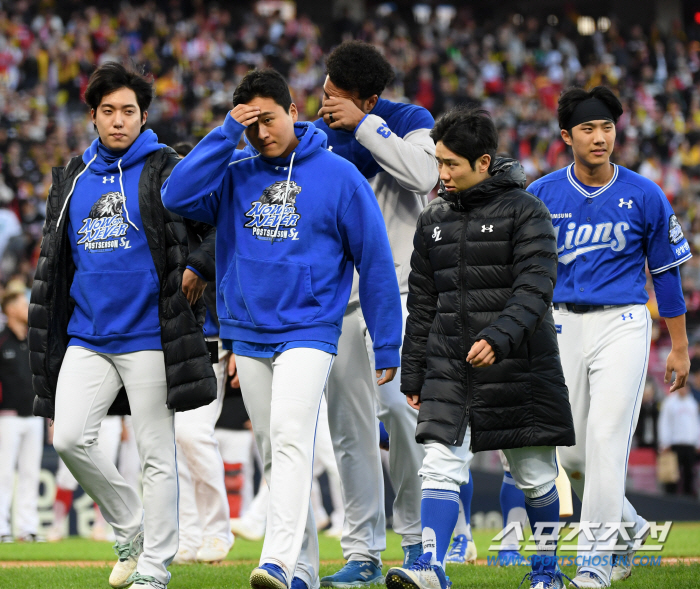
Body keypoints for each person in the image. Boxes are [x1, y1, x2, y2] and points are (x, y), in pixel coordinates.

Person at [161, 68, 402, 589]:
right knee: (274, 449)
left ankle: (275, 560)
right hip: (247, 330)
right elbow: (175, 196)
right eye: (251, 126)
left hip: (311, 328)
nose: (261, 134)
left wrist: (387, 340)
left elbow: (376, 260)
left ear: (294, 112)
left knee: (292, 437)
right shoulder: (234, 171)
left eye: (269, 120)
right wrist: (227, 132)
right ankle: (304, 573)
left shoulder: (339, 175)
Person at [28, 62, 217, 589]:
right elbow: (54, 261)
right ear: (92, 116)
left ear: (144, 116)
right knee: (68, 438)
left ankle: (154, 570)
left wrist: (200, 266)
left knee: (156, 454)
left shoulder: (168, 168)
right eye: (107, 111)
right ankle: (131, 525)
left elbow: (218, 225)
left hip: (152, 335)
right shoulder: (72, 176)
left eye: (128, 111)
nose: (118, 121)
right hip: (87, 334)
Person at [385, 107, 575, 589]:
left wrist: (497, 336)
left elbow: (536, 286)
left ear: (484, 162)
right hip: (451, 366)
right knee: (440, 468)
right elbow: (423, 302)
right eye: (439, 162)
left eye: (450, 164)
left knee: (534, 476)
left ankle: (546, 573)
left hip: (519, 366)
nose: (441, 174)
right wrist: (413, 374)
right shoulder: (433, 218)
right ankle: (432, 567)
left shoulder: (526, 211)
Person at [527, 86, 692, 587]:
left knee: (604, 440)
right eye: (587, 129)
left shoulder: (645, 193)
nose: (599, 137)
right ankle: (630, 528)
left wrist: (680, 345)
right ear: (566, 136)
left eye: (606, 128)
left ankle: (595, 562)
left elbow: (665, 273)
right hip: (560, 325)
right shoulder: (543, 194)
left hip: (622, 322)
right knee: (571, 456)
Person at [313, 41, 439, 586]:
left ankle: (416, 544)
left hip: (403, 292)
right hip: (338, 301)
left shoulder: (409, 120)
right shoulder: (318, 138)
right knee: (349, 431)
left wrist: (365, 124)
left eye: (332, 94)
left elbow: (422, 175)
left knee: (403, 415)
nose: (322, 102)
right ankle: (362, 549)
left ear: (365, 96)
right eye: (322, 91)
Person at [169, 142, 234, 565]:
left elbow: (232, 275)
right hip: (170, 341)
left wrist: (233, 345)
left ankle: (216, 531)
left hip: (212, 342)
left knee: (192, 435)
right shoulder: (161, 215)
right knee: (174, 445)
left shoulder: (217, 210)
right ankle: (189, 537)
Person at [0, 283, 43, 543]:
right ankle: (2, 528)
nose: (26, 307)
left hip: (34, 415)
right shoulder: (1, 340)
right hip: (7, 416)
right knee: (4, 472)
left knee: (30, 472)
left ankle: (27, 528)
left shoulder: (33, 339)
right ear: (9, 309)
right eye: (20, 303)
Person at [658, 386, 700, 496]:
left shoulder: (692, 404)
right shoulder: (669, 403)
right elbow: (664, 423)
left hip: (689, 444)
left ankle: (688, 500)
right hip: (674, 444)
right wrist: (665, 442)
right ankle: (670, 499)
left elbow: (696, 424)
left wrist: (697, 442)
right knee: (672, 475)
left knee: (689, 474)